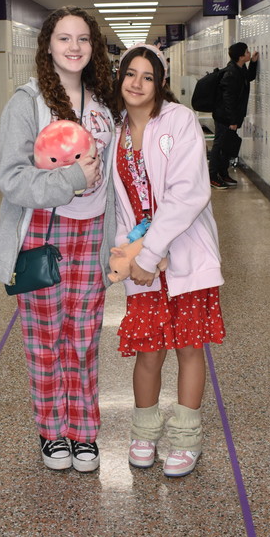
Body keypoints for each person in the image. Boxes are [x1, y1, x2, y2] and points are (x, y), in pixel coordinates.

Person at [0, 7, 118, 473]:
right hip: (43, 235)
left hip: (92, 234)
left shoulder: (104, 103)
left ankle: (84, 434)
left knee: (83, 339)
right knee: (45, 340)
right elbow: (12, 179)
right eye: (63, 38)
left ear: (93, 47)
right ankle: (51, 433)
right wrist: (69, 179)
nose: (73, 47)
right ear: (48, 45)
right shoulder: (27, 103)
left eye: (83, 39)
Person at [112, 44, 225, 477]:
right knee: (149, 350)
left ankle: (185, 438)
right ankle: (144, 432)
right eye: (129, 74)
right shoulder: (117, 133)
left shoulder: (178, 122)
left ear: (160, 82)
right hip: (142, 261)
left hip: (184, 253)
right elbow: (121, 206)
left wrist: (155, 250)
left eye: (146, 75)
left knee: (189, 347)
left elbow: (189, 193)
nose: (136, 83)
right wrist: (133, 253)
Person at [209, 41, 259, 190]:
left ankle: (223, 173)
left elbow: (248, 77)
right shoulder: (231, 73)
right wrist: (232, 120)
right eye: (247, 52)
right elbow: (228, 100)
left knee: (226, 146)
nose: (249, 53)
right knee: (219, 146)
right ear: (241, 56)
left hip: (231, 117)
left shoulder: (239, 68)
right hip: (225, 117)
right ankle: (212, 177)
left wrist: (254, 63)